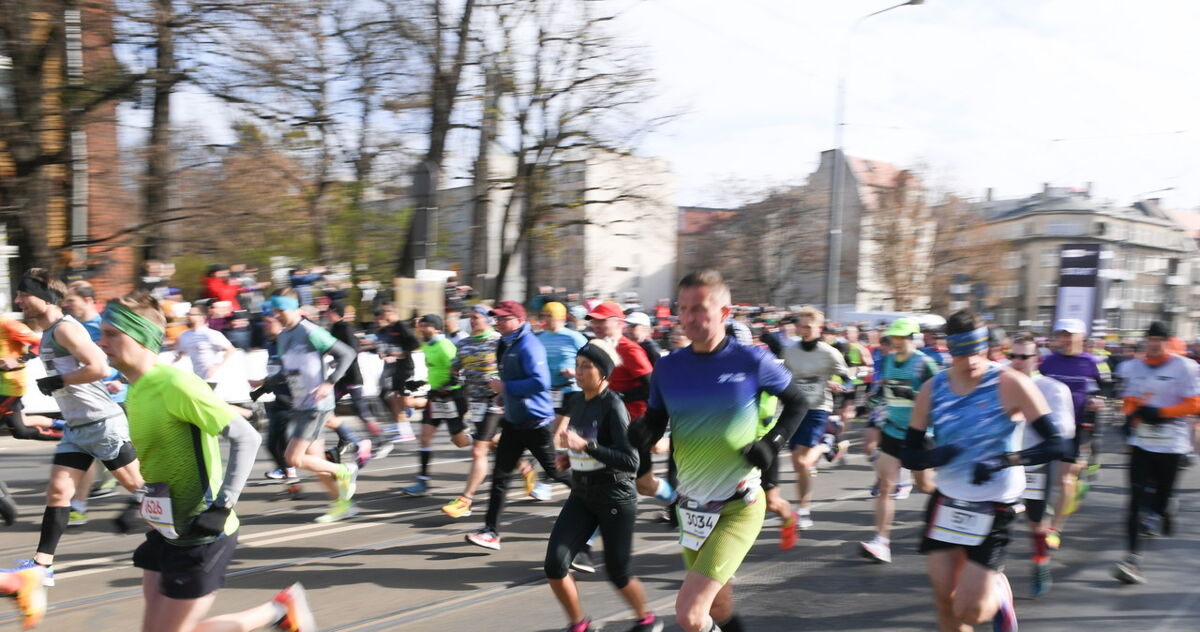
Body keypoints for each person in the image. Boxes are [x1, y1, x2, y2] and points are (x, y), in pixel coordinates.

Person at [98, 291, 315, 632]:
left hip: (202, 534)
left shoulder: (176, 383)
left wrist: (222, 506)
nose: (101, 342)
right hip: (166, 529)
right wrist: (140, 496)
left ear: (140, 337)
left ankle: (279, 610)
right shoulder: (136, 388)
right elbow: (160, 455)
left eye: (111, 334)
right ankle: (281, 610)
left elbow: (247, 436)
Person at [628, 269, 807, 632]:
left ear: (724, 312)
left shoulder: (752, 361)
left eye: (700, 308)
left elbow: (799, 402)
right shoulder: (667, 367)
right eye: (684, 308)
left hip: (738, 506)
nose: (690, 317)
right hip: (691, 508)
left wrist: (773, 443)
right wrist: (644, 432)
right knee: (719, 606)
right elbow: (657, 420)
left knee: (690, 614)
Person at [902, 311, 1063, 632]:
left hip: (995, 504)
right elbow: (909, 453)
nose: (972, 360)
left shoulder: (1010, 383)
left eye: (978, 350)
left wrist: (1005, 460)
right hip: (947, 502)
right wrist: (933, 457)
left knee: (971, 611)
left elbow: (1057, 445)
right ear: (949, 350)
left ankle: (1000, 593)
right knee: (945, 599)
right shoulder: (932, 390)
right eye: (962, 352)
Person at [5, 270, 145, 584]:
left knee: (141, 490)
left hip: (101, 423)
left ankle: (190, 534)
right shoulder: (50, 332)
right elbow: (46, 353)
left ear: (44, 297)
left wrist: (60, 381)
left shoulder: (66, 329)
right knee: (57, 491)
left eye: (23, 294)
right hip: (76, 427)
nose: (18, 300)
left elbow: (99, 366)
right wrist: (19, 362)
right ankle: (42, 566)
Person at [544, 339, 661, 632]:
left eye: (587, 367)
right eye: (577, 366)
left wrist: (586, 447)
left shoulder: (614, 405)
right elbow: (582, 446)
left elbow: (629, 461)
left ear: (604, 374)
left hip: (614, 497)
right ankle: (579, 625)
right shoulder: (575, 401)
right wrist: (571, 460)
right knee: (554, 566)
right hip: (582, 494)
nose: (579, 372)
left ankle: (646, 619)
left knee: (617, 572)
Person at [465, 301, 571, 550]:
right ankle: (491, 532)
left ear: (519, 320)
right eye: (496, 318)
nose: (498, 322)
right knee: (500, 477)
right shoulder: (505, 343)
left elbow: (540, 382)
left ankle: (594, 496)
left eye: (503, 318)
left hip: (536, 422)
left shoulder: (529, 345)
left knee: (554, 472)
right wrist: (504, 395)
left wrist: (506, 389)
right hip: (514, 421)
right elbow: (510, 377)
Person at [1112, 321, 1200, 584]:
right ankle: (1132, 559)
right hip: (1142, 443)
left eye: (1158, 340)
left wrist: (1162, 413)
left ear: (1168, 342)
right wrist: (1129, 417)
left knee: (1160, 500)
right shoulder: (1134, 367)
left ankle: (1165, 508)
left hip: (1172, 444)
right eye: (1150, 339)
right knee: (1135, 502)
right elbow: (1129, 400)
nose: (1153, 344)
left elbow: (1195, 403)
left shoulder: (1185, 367)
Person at [270, 291, 361, 523]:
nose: (276, 315)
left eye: (280, 311)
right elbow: (287, 371)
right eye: (274, 311)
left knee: (293, 458)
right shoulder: (283, 337)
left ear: (293, 308)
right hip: (301, 405)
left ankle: (344, 470)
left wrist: (329, 383)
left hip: (316, 405)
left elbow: (347, 354)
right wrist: (265, 382)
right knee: (315, 461)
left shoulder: (310, 331)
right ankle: (344, 505)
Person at [858, 317, 939, 564]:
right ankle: (881, 541)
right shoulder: (888, 360)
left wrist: (913, 395)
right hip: (892, 431)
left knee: (925, 486)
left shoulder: (924, 364)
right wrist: (873, 401)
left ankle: (955, 505)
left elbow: (940, 396)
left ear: (913, 338)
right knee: (885, 486)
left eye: (903, 337)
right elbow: (885, 389)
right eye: (894, 337)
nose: (897, 341)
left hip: (919, 434)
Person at [1006, 335, 1075, 596]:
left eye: (1024, 356)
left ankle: (1040, 563)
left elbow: (1064, 429)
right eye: (1014, 356)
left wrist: (1032, 416)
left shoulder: (1053, 388)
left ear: (1037, 359)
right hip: (1003, 462)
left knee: (1035, 523)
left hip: (1035, 463)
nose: (1018, 361)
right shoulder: (1000, 382)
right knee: (994, 516)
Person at [780, 306, 849, 530]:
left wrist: (841, 385)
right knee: (798, 465)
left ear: (819, 328)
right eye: (800, 325)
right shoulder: (790, 351)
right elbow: (784, 378)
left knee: (805, 461)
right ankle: (803, 508)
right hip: (795, 408)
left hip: (819, 408)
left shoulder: (830, 353)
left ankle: (828, 444)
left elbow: (849, 380)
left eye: (808, 326)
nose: (804, 329)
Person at [1039, 318, 1103, 549]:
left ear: (1081, 337)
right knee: (1042, 477)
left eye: (1070, 335)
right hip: (1045, 427)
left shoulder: (1091, 363)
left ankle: (1055, 528)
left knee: (1065, 480)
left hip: (1075, 430)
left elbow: (1104, 389)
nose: (1065, 339)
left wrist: (1098, 401)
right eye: (1061, 334)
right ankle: (1045, 512)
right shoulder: (1047, 362)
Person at [441, 306, 503, 518]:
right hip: (475, 403)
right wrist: (451, 382)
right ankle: (524, 467)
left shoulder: (498, 341)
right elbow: (455, 368)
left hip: (497, 401)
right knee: (494, 442)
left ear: (488, 320)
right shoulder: (464, 343)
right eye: (470, 317)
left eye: (476, 317)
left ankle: (466, 500)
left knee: (478, 450)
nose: (472, 321)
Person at [401, 314, 470, 496]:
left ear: (437, 328)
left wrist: (450, 384)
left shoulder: (445, 345)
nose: (422, 329)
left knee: (460, 442)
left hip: (452, 397)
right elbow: (431, 370)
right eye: (420, 326)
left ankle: (481, 439)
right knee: (424, 437)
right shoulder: (426, 346)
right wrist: (420, 384)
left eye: (426, 326)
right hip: (435, 397)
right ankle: (422, 482)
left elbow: (460, 370)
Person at [536, 302, 589, 500]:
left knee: (555, 435)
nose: (545, 319)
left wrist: (575, 373)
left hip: (570, 390)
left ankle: (545, 482)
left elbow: (591, 361)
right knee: (553, 436)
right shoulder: (539, 337)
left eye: (548, 316)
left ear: (560, 317)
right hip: (547, 392)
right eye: (543, 315)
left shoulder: (574, 337)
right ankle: (573, 468)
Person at [325, 303, 384, 467]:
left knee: (361, 411)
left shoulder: (345, 327)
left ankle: (381, 441)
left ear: (335, 313)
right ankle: (344, 440)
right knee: (328, 408)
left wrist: (339, 362)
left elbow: (353, 349)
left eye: (328, 312)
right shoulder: (334, 328)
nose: (326, 315)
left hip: (351, 376)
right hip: (341, 378)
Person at [374, 304, 420, 441]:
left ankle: (429, 401)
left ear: (393, 312)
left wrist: (400, 354)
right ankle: (405, 432)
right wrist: (387, 354)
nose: (384, 314)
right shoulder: (391, 328)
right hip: (396, 369)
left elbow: (415, 344)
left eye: (386, 311)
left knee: (406, 402)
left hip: (405, 368)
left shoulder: (401, 325)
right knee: (396, 400)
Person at [175, 303, 236, 388]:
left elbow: (231, 350)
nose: (189, 316)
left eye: (192, 314)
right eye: (188, 314)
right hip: (196, 379)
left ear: (202, 317)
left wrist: (217, 366)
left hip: (212, 378)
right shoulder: (184, 335)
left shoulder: (211, 334)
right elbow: (181, 354)